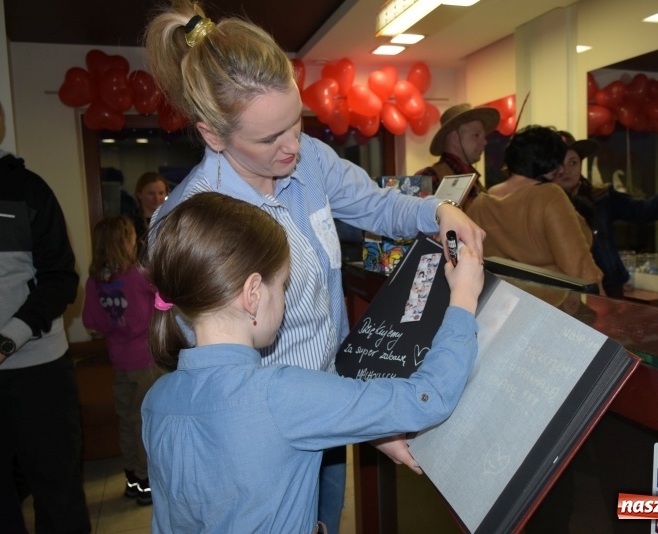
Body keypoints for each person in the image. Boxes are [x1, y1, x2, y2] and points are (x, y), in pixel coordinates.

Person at [143, 2, 485, 531]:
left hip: (328, 399)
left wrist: (437, 211)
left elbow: (375, 205)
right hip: (269, 429)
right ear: (213, 135)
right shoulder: (190, 220)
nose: (292, 148)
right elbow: (216, 370)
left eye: (296, 123)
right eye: (268, 138)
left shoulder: (310, 159)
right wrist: (360, 416)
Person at [141, 192, 484, 534]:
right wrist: (463, 299)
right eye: (283, 285)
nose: (284, 299)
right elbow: (427, 399)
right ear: (253, 294)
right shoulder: (281, 394)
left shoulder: (156, 399)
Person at [0, 70, 91, 532]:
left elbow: (61, 280)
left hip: (37, 371)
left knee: (58, 495)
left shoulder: (29, 190)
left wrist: (0, 345)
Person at [551, 130, 658, 297]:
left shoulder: (600, 196)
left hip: (609, 288)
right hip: (565, 291)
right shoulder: (544, 204)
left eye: (573, 162)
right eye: (559, 163)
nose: (566, 170)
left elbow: (639, 211)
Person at [466, 125, 604, 293]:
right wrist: (602, 302)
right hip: (550, 304)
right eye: (558, 162)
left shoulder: (480, 203)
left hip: (498, 301)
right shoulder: (549, 195)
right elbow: (580, 267)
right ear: (546, 162)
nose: (562, 169)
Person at [82, 216, 158, 506]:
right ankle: (146, 482)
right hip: (145, 362)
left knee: (127, 421)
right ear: (126, 242)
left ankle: (132, 481)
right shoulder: (138, 276)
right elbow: (166, 298)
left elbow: (91, 322)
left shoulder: (95, 282)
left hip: (119, 362)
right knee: (144, 423)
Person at [414, 103, 500, 208]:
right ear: (455, 138)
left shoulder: (474, 180)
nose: (484, 142)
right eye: (476, 135)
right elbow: (413, 217)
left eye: (483, 136)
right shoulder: (427, 177)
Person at [131, 171, 169, 257]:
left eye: (161, 193)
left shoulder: (171, 220)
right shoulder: (131, 224)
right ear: (139, 194)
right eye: (151, 193)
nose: (157, 198)